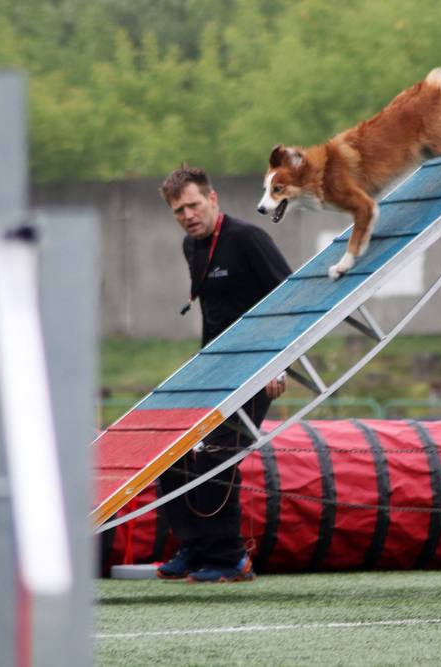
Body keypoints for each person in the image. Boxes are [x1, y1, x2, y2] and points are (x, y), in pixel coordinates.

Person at [155, 166, 291, 583]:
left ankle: (230, 557)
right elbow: (213, 315)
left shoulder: (248, 239)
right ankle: (195, 547)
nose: (188, 216)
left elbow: (293, 302)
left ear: (212, 199)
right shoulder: (191, 246)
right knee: (168, 454)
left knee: (217, 456)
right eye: (179, 211)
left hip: (255, 369)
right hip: (212, 369)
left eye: (193, 205)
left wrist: (278, 364)